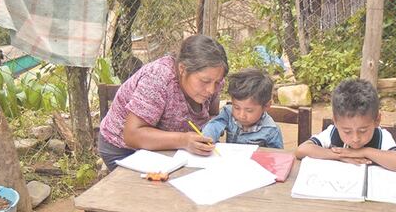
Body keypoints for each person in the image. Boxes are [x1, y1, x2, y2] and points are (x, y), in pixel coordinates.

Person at [98, 35, 228, 170]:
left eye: (217, 82)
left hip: (172, 148)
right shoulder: (158, 78)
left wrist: (210, 130)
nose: (211, 90)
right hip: (124, 150)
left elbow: (212, 115)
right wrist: (183, 140)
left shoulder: (213, 77)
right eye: (205, 81)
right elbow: (132, 135)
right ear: (182, 69)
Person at [295, 78, 396, 172]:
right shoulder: (332, 133)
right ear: (335, 121)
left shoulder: (381, 137)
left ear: (377, 120)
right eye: (347, 131)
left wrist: (363, 152)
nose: (355, 139)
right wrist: (339, 155)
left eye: (363, 130)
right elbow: (301, 150)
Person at [202, 68, 283, 149]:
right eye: (236, 107)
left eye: (249, 110)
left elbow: (278, 156)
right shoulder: (228, 113)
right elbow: (214, 125)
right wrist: (207, 137)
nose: (241, 115)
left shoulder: (271, 130)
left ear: (266, 106)